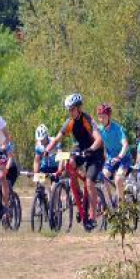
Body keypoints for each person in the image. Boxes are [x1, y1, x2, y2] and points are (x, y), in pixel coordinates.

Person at [45, 93, 104, 231]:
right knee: (70, 163)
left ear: (78, 108)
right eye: (69, 110)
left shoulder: (87, 119)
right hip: (81, 149)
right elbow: (57, 138)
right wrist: (47, 150)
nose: (70, 112)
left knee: (89, 182)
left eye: (72, 109)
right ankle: (79, 195)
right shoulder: (70, 122)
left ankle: (93, 217)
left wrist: (91, 149)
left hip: (95, 152)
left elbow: (99, 139)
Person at [96, 103, 130, 199]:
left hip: (124, 158)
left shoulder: (118, 129)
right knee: (103, 178)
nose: (101, 120)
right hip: (111, 158)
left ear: (109, 116)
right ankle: (110, 204)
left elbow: (125, 145)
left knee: (118, 179)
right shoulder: (100, 130)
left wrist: (119, 157)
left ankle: (121, 209)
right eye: (99, 117)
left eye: (103, 117)